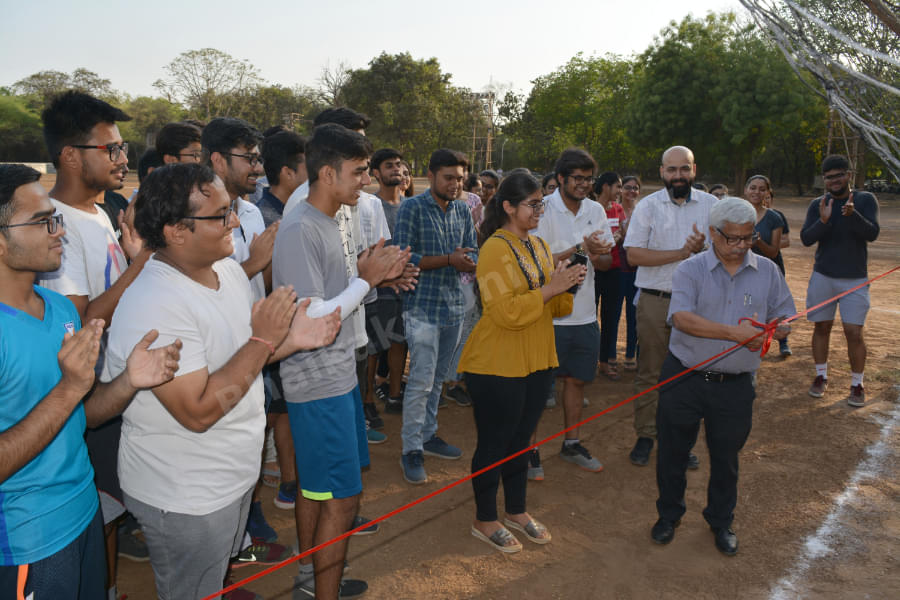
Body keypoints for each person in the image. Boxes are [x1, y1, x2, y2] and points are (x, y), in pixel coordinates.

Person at [104, 162, 340, 600]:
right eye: (220, 215)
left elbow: (239, 359)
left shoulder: (228, 269)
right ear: (175, 230)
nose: (234, 221)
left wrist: (290, 341)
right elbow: (198, 412)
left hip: (229, 478)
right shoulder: (155, 304)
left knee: (209, 582)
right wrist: (265, 339)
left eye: (231, 209)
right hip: (185, 496)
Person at [0, 163, 180, 600]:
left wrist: (127, 382)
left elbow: (80, 414)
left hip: (84, 515)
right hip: (28, 540)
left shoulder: (61, 310)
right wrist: (68, 388)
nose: (58, 230)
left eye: (55, 218)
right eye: (43, 221)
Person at [273, 124, 407, 598]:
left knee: (317, 489)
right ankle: (319, 589)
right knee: (342, 496)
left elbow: (335, 295)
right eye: (358, 172)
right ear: (327, 172)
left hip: (336, 375)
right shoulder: (301, 227)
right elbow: (310, 318)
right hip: (316, 381)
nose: (365, 182)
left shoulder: (328, 220)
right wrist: (367, 281)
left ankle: (311, 581)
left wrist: (379, 275)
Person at [36, 90, 150, 599]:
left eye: (122, 148)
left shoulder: (97, 214)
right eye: (110, 149)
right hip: (88, 396)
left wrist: (130, 261)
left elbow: (111, 295)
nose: (122, 159)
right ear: (70, 155)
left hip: (111, 387)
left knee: (107, 511)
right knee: (99, 512)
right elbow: (81, 321)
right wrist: (143, 265)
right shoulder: (57, 225)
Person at [650, 197, 795, 556]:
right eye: (734, 238)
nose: (743, 246)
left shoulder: (768, 270)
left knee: (726, 457)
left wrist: (781, 329)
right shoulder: (690, 270)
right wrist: (735, 334)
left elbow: (783, 316)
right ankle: (669, 515)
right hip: (684, 376)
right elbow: (681, 318)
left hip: (735, 385)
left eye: (749, 237)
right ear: (714, 234)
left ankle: (721, 520)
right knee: (672, 452)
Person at [460, 171, 585, 553]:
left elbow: (555, 307)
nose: (539, 211)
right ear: (510, 206)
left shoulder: (541, 247)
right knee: (495, 443)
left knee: (521, 442)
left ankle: (516, 510)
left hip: (536, 360)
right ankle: (484, 517)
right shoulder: (495, 249)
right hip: (496, 364)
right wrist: (550, 288)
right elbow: (503, 313)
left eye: (541, 204)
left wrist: (567, 284)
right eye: (533, 204)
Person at [623, 145, 716, 468]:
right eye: (672, 170)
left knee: (690, 374)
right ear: (662, 172)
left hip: (697, 304)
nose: (678, 176)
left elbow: (727, 252)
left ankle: (680, 441)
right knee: (650, 372)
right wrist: (681, 252)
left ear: (694, 170)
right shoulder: (648, 207)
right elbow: (633, 255)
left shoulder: (712, 206)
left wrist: (704, 251)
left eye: (684, 169)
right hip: (654, 300)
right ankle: (646, 436)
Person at [394, 148, 479, 485]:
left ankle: (428, 435)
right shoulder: (412, 208)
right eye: (449, 177)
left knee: (439, 378)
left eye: (460, 178)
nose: (456, 183)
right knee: (421, 379)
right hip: (421, 308)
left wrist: (468, 260)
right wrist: (448, 260)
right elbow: (402, 256)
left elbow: (469, 248)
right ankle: (411, 449)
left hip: (453, 307)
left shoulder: (462, 210)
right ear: (430, 176)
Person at [534, 148, 613, 473]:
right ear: (561, 179)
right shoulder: (542, 209)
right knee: (539, 386)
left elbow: (607, 263)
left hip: (583, 315)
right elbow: (536, 263)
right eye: (577, 179)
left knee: (577, 382)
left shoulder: (596, 210)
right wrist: (581, 248)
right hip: (547, 314)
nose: (583, 185)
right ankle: (529, 450)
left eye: (588, 179)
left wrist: (597, 254)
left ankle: (571, 443)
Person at [800, 154, 880, 407]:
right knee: (821, 328)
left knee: (853, 332)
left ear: (848, 175)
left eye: (838, 175)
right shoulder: (818, 204)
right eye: (829, 177)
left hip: (854, 279)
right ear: (824, 180)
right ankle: (821, 376)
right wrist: (823, 221)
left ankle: (857, 383)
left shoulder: (865, 200)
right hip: (823, 275)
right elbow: (806, 239)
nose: (834, 180)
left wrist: (853, 215)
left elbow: (872, 233)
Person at [256, 129, 308, 515]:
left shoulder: (296, 212)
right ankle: (252, 504)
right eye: (309, 165)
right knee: (265, 415)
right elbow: (269, 279)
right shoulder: (265, 216)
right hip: (267, 332)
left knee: (285, 409)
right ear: (289, 172)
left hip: (289, 330)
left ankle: (289, 483)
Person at [368, 148, 412, 415]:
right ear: (376, 173)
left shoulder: (411, 206)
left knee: (400, 342)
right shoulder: (369, 205)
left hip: (407, 286)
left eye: (398, 165)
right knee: (373, 347)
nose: (396, 169)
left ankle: (395, 395)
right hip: (379, 287)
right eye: (388, 166)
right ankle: (368, 400)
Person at [744, 175, 792, 357]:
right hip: (742, 273)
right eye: (753, 187)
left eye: (762, 189)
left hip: (766, 274)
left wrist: (759, 243)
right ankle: (748, 343)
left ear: (767, 193)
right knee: (746, 306)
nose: (757, 192)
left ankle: (780, 341)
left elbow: (773, 252)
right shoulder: (737, 212)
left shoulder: (774, 217)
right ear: (745, 190)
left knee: (770, 309)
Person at [593, 172, 627, 380]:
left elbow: (623, 231)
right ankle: (589, 361)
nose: (620, 191)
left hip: (615, 270)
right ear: (606, 187)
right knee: (589, 318)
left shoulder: (618, 209)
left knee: (611, 317)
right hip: (592, 271)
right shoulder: (589, 209)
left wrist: (618, 236)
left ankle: (606, 361)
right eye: (618, 186)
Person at [615, 175, 642, 372]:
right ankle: (610, 355)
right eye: (627, 187)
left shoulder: (643, 212)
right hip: (616, 270)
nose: (631, 191)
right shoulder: (613, 211)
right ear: (621, 189)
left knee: (634, 316)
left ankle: (631, 354)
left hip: (637, 271)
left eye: (635, 188)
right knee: (614, 315)